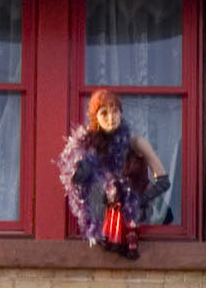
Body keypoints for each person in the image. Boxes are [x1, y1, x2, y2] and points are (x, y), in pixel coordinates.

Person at [58, 88, 168, 256]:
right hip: (112, 223)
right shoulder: (91, 148)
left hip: (145, 219)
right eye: (104, 113)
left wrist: (140, 200)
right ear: (95, 117)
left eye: (115, 111)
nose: (111, 118)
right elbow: (76, 186)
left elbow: (163, 181)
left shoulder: (136, 142)